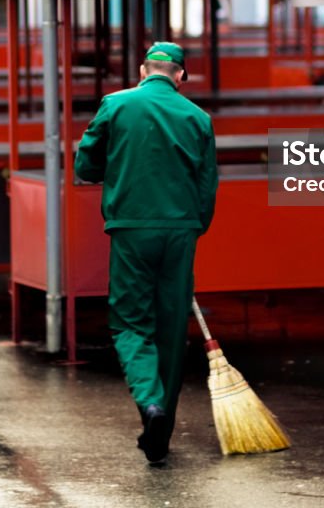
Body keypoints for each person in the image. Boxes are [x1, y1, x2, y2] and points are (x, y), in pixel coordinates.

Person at [74, 40, 218, 465]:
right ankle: (162, 431)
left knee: (130, 323)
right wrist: (193, 228)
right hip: (181, 230)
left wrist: (116, 169)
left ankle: (150, 406)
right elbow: (207, 185)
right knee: (172, 330)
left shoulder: (115, 105)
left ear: (142, 70)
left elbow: (86, 166)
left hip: (131, 228)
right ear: (181, 76)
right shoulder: (198, 118)